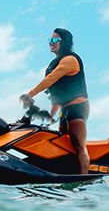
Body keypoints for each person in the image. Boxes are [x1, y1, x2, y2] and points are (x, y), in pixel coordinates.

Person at [21, 28, 89, 174]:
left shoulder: (70, 60)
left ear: (64, 42)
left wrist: (30, 94)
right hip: (65, 110)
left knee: (78, 145)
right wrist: (52, 114)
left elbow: (51, 79)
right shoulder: (53, 64)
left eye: (54, 40)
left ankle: (83, 178)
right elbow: (56, 94)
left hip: (77, 106)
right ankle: (65, 172)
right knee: (62, 143)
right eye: (49, 40)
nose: (51, 43)